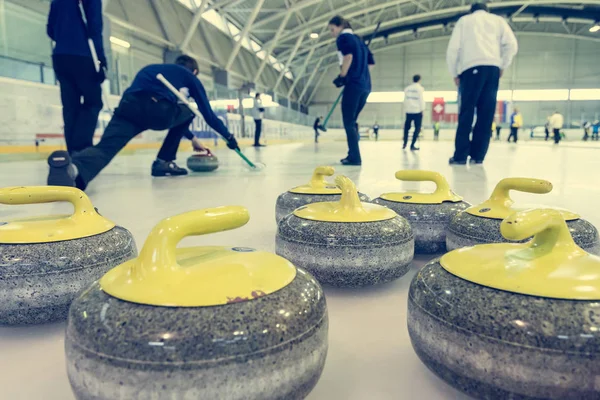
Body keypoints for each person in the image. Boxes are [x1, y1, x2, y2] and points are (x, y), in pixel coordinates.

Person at [47, 55, 239, 189]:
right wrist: (229, 137)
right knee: (189, 110)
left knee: (106, 147)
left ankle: (73, 169)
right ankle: (164, 161)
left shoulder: (152, 69)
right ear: (195, 71)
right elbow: (207, 114)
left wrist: (192, 137)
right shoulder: (190, 77)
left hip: (128, 108)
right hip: (158, 110)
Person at [446, 2, 518, 165]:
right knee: (486, 114)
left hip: (470, 69)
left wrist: (454, 73)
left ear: (471, 11)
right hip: (492, 68)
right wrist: (502, 65)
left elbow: (453, 50)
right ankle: (478, 155)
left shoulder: (464, 21)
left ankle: (461, 155)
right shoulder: (498, 21)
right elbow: (512, 45)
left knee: (467, 113)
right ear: (487, 10)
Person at [47, 0, 106, 155]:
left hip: (60, 56)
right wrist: (101, 59)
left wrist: (65, 37)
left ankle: (72, 151)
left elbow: (50, 30)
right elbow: (94, 27)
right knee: (93, 102)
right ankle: (81, 148)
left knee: (70, 106)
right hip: (83, 56)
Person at [329, 15, 375, 166]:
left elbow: (348, 57)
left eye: (332, 29)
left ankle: (355, 157)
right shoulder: (360, 41)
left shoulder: (344, 38)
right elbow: (371, 64)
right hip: (366, 86)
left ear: (340, 26)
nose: (332, 32)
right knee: (352, 121)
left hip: (354, 85)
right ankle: (352, 153)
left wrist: (343, 76)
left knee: (348, 122)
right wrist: (360, 74)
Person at [403, 74, 425, 151]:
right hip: (417, 111)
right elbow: (421, 100)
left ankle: (405, 143)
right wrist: (422, 109)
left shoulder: (407, 89)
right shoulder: (420, 89)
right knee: (417, 128)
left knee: (406, 128)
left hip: (408, 111)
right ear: (419, 80)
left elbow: (405, 100)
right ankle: (412, 145)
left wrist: (406, 108)